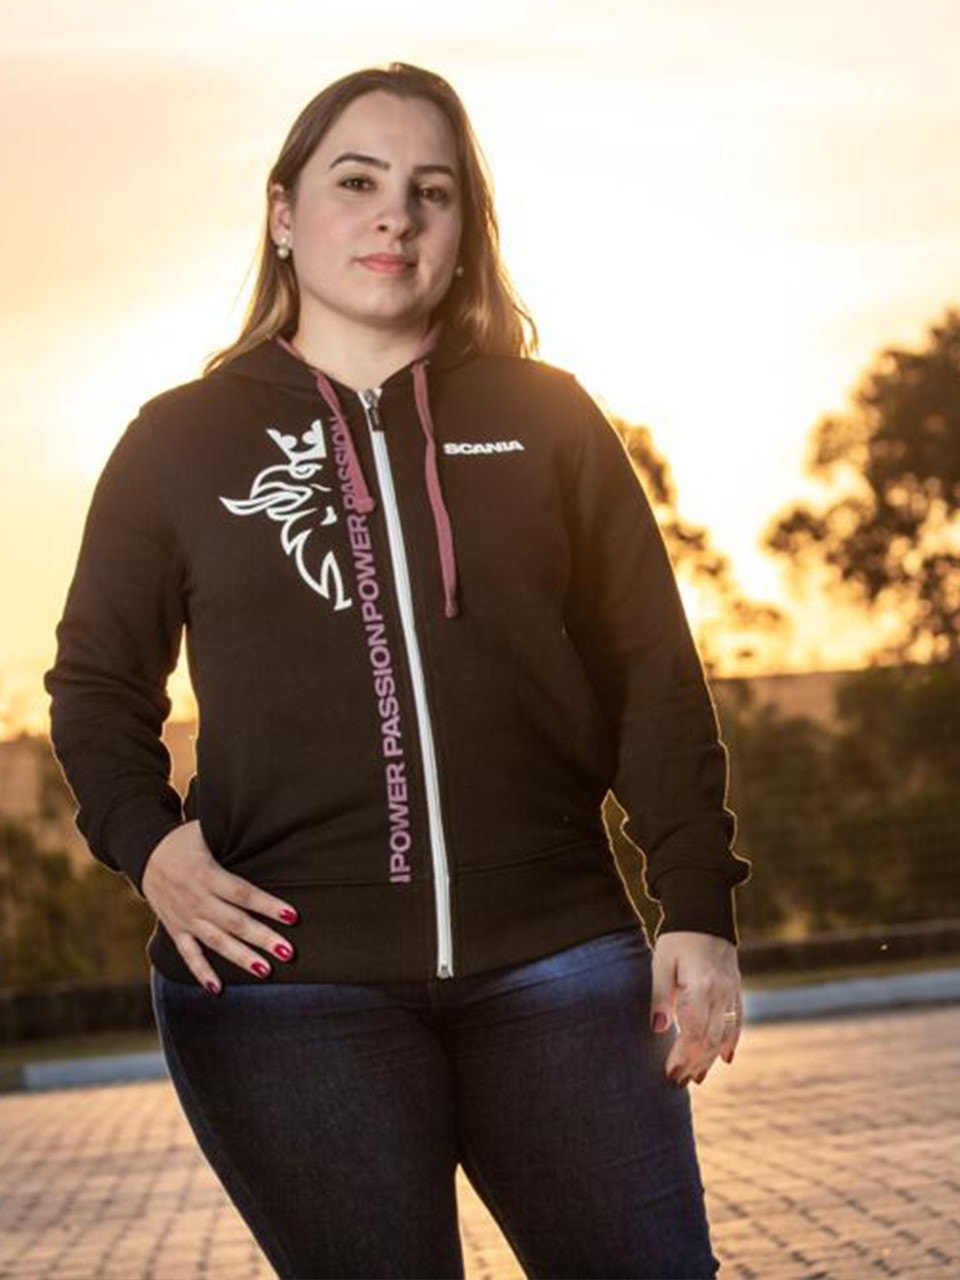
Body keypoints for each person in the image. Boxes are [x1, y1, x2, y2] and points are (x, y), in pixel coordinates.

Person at [44, 61, 751, 1280]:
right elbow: (97, 682)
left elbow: (649, 667)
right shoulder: (180, 439)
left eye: (432, 190)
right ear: (283, 212)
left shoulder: (549, 418)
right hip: (285, 992)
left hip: (558, 959)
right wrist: (148, 843)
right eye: (356, 181)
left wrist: (694, 903)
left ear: (463, 228)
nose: (395, 215)